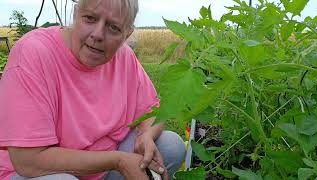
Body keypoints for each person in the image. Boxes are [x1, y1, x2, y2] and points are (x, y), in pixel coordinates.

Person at [0, 0, 186, 179]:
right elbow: (28, 161)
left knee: (171, 146)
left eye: (113, 27)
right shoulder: (34, 53)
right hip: (37, 172)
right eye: (90, 18)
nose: (98, 34)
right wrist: (119, 161)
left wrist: (146, 135)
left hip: (101, 167)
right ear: (75, 15)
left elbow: (153, 109)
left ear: (126, 35)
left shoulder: (124, 57)